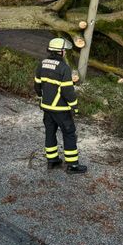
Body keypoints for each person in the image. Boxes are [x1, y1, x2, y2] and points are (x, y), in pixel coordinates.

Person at [34, 37, 87, 173]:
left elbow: (37, 85)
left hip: (47, 107)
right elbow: (67, 91)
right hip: (61, 109)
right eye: (64, 50)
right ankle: (73, 166)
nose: (65, 52)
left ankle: (52, 161)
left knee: (50, 132)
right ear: (61, 52)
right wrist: (74, 106)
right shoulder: (64, 68)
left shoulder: (42, 63)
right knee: (69, 133)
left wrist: (41, 98)